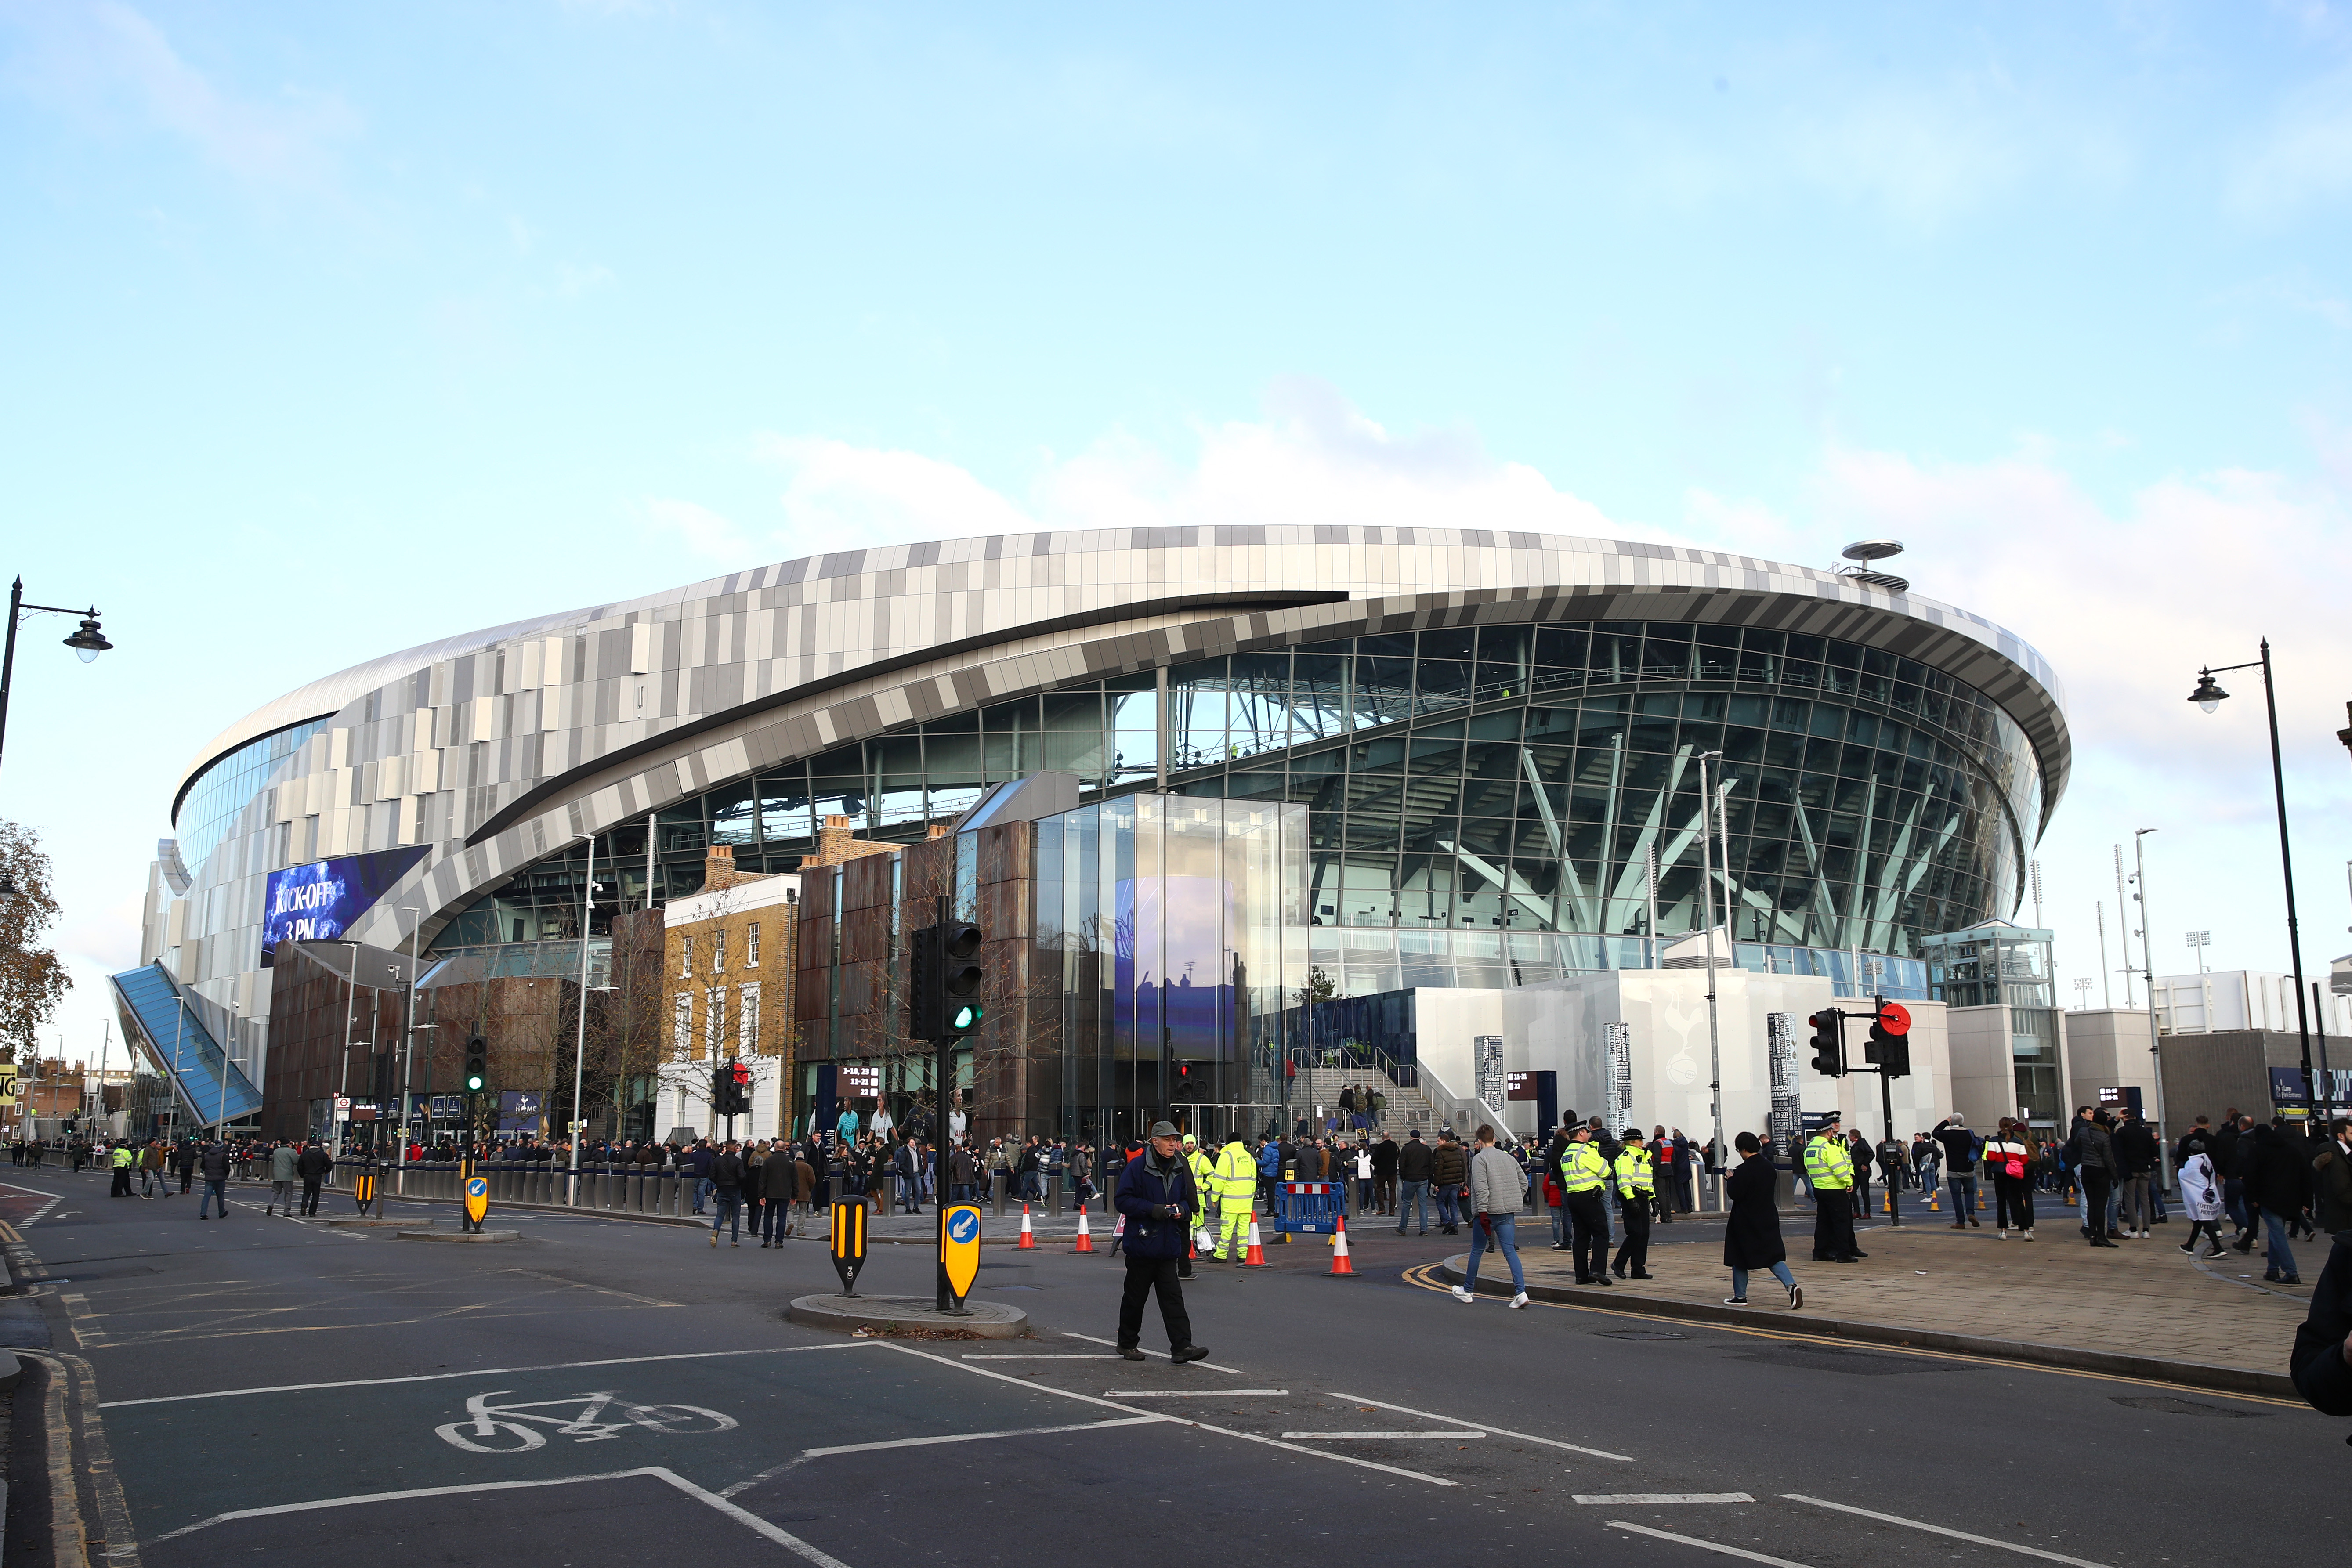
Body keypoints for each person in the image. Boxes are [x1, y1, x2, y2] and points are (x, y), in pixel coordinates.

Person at [1114, 1121, 1209, 1363]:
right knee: (1135, 1299)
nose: (1172, 1144)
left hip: (1168, 1246)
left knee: (1173, 1299)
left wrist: (1182, 1210)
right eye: (1167, 1140)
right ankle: (1127, 1343)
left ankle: (1182, 1347)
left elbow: (1188, 1200)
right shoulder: (1137, 1168)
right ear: (1154, 1141)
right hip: (1143, 1244)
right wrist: (1153, 1210)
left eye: (1175, 1140)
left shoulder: (1179, 1166)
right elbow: (1122, 1201)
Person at [1451, 1124, 1531, 1308]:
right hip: (1507, 1212)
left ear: (1479, 1142)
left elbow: (1481, 1189)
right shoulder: (1509, 1158)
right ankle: (1521, 1292)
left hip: (1487, 1213)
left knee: (1477, 1250)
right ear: (1494, 1139)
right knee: (1510, 1251)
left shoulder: (1480, 1160)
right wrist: (1515, 1197)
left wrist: (1484, 1212)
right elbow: (1522, 1182)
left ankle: (1468, 1290)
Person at [1724, 1130, 1802, 1309]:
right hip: (1768, 1215)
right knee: (1772, 1256)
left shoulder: (1744, 1170)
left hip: (1746, 1219)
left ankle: (1740, 1296)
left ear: (1743, 1149)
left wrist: (1731, 1179)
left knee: (1739, 1256)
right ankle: (1791, 1286)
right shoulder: (1768, 1167)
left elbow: (1736, 1194)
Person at [2249, 1121, 2312, 1284]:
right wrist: (2306, 1200)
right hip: (2291, 1199)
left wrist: (2254, 1198)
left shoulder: (2258, 1150)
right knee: (2275, 1233)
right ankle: (2272, 1270)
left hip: (2269, 1199)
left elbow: (2251, 1175)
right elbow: (2305, 1176)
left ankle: (2291, 1272)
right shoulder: (2292, 1151)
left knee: (2277, 1235)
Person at [1557, 1123, 1611, 1285]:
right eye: (1587, 1132)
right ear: (1581, 1133)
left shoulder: (1566, 1153)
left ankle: (1581, 1275)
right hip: (1590, 1197)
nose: (1589, 1134)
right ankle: (1597, 1270)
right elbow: (1605, 1171)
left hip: (1573, 1197)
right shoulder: (1586, 1150)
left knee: (1581, 1237)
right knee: (1602, 1234)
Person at [1803, 1115, 1862, 1261]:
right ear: (1829, 1133)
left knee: (1823, 1222)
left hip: (1819, 1188)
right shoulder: (1829, 1147)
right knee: (1841, 1222)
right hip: (1835, 1189)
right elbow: (1840, 1170)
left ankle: (1819, 1252)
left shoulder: (1810, 1148)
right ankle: (1843, 1254)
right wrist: (1849, 1183)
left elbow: (1809, 1169)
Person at [2066, 1106, 2120, 1248]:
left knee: (2091, 1204)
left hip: (2086, 1169)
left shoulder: (2084, 1131)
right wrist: (2114, 1176)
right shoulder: (2104, 1136)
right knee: (2100, 1206)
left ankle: (2093, 1235)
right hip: (2100, 1170)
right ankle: (2102, 1236)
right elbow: (2109, 1159)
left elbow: (2075, 1143)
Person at [1610, 1127, 1655, 1279]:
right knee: (1635, 1233)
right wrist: (1631, 1200)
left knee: (1644, 1235)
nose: (1643, 1143)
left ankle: (1638, 1269)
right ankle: (1619, 1263)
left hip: (1642, 1197)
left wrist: (1653, 1198)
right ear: (1633, 1142)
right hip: (1631, 1196)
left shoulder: (1644, 1157)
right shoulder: (1626, 1157)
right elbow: (1624, 1181)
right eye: (1640, 1140)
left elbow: (1648, 1179)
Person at [1983, 1117, 2035, 1240]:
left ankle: (2003, 1231)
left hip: (2000, 1173)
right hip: (2014, 1173)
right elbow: (2024, 1160)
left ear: (2000, 1126)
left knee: (2001, 1202)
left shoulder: (1994, 1141)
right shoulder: (2018, 1141)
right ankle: (2026, 1231)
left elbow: (1990, 1157)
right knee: (2018, 1200)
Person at [2175, 1134, 2228, 1258]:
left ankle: (2219, 1248)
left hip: (2199, 1195)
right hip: (2209, 1193)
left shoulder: (2192, 1163)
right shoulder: (2207, 1160)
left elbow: (2184, 1176)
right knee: (2199, 1221)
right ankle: (2189, 1246)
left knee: (2204, 1222)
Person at [1210, 1133, 1256, 1262]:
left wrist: (1215, 1197)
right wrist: (1251, 1195)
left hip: (1230, 1202)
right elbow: (1254, 1180)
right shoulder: (1249, 1156)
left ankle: (1221, 1255)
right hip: (1246, 1201)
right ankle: (1243, 1254)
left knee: (1226, 1229)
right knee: (1244, 1230)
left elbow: (1219, 1179)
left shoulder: (1226, 1156)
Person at [2113, 1111, 2158, 1238]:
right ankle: (2146, 1230)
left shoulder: (2122, 1132)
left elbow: (2118, 1152)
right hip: (2145, 1168)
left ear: (2124, 1119)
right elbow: (2154, 1150)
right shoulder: (2145, 1132)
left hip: (2130, 1169)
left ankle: (2133, 1229)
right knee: (2145, 1198)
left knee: (2130, 1199)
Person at [1932, 1114, 1981, 1227]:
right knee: (1969, 1192)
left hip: (1953, 1169)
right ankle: (1971, 1213)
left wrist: (1946, 1122)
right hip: (1968, 1168)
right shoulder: (1970, 1133)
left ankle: (1960, 1221)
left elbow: (1935, 1133)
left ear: (1952, 1122)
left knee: (1956, 1196)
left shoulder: (1948, 1134)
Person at [709, 1139, 746, 1247]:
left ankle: (716, 1231)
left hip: (722, 1189)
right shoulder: (738, 1162)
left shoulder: (718, 1161)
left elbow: (711, 1175)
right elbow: (742, 1176)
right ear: (735, 1149)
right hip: (734, 1189)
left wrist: (719, 1182)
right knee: (736, 1216)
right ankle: (734, 1240)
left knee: (720, 1215)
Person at [1429, 1131, 1469, 1235]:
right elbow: (1463, 1166)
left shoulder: (1441, 1153)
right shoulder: (1457, 1150)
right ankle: (1454, 1225)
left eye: (1438, 1141)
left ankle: (1447, 1222)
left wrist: (1436, 1184)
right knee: (1454, 1204)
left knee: (1440, 1201)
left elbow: (1438, 1170)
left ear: (1443, 1141)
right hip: (1456, 1182)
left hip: (1445, 1182)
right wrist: (1462, 1180)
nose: (1437, 1143)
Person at [1396, 1131, 1433, 1235]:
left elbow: (1402, 1165)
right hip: (1423, 1178)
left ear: (1411, 1137)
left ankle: (1403, 1228)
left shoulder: (1406, 1149)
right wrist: (1428, 1175)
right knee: (1423, 1205)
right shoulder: (1427, 1149)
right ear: (1420, 1137)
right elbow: (1431, 1164)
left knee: (1407, 1204)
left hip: (1410, 1178)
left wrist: (1404, 1177)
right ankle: (1424, 1229)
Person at [296, 1138, 334, 1216]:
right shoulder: (323, 1155)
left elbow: (300, 1166)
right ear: (319, 1147)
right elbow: (329, 1165)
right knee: (316, 1195)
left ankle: (304, 1203)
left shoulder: (305, 1154)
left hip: (307, 1176)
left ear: (311, 1146)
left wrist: (302, 1174)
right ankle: (312, 1212)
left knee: (306, 1193)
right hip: (318, 1176)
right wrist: (326, 1171)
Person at [196, 1138, 232, 1219]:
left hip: (209, 1178)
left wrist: (208, 1172)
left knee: (206, 1197)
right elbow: (227, 1168)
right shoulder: (223, 1156)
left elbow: (202, 1166)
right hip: (220, 1179)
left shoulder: (207, 1155)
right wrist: (225, 1176)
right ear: (221, 1148)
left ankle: (203, 1214)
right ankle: (221, 1212)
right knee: (220, 1197)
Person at [266, 1138, 300, 1216]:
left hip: (277, 1175)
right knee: (288, 1193)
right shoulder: (291, 1151)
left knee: (275, 1191)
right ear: (288, 1144)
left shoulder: (276, 1151)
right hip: (287, 1175)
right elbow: (296, 1161)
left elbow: (273, 1161)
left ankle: (270, 1205)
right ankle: (287, 1211)